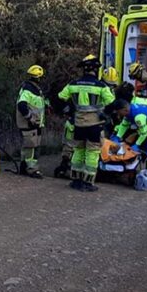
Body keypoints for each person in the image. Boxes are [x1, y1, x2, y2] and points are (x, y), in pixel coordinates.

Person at [57, 55, 115, 192]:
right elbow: (112, 103)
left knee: (78, 151)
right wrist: (105, 115)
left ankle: (76, 181)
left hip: (78, 124)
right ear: (96, 70)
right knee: (92, 153)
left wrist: (68, 111)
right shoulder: (101, 86)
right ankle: (88, 182)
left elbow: (60, 98)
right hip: (95, 125)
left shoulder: (73, 84)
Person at [15, 64, 47, 178]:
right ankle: (32, 169)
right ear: (38, 77)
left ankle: (24, 167)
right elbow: (22, 105)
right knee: (31, 147)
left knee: (29, 146)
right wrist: (30, 118)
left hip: (34, 124)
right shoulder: (28, 90)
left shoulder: (34, 89)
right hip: (30, 124)